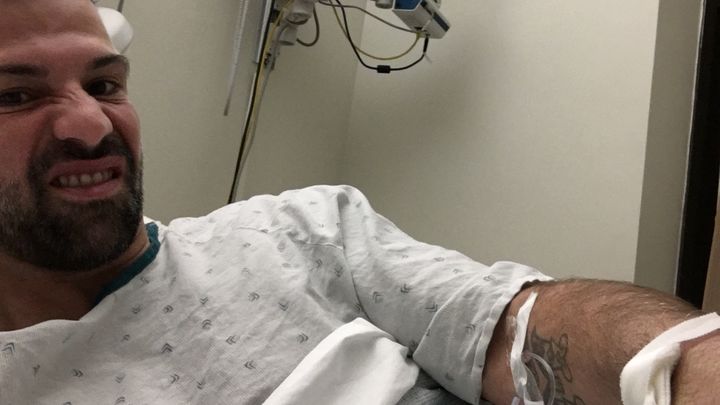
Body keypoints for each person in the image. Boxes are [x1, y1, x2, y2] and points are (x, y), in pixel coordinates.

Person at [0, 0, 717, 404]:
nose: (91, 124)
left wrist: (682, 360)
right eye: (16, 95)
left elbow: (507, 330)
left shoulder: (298, 232)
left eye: (105, 85)